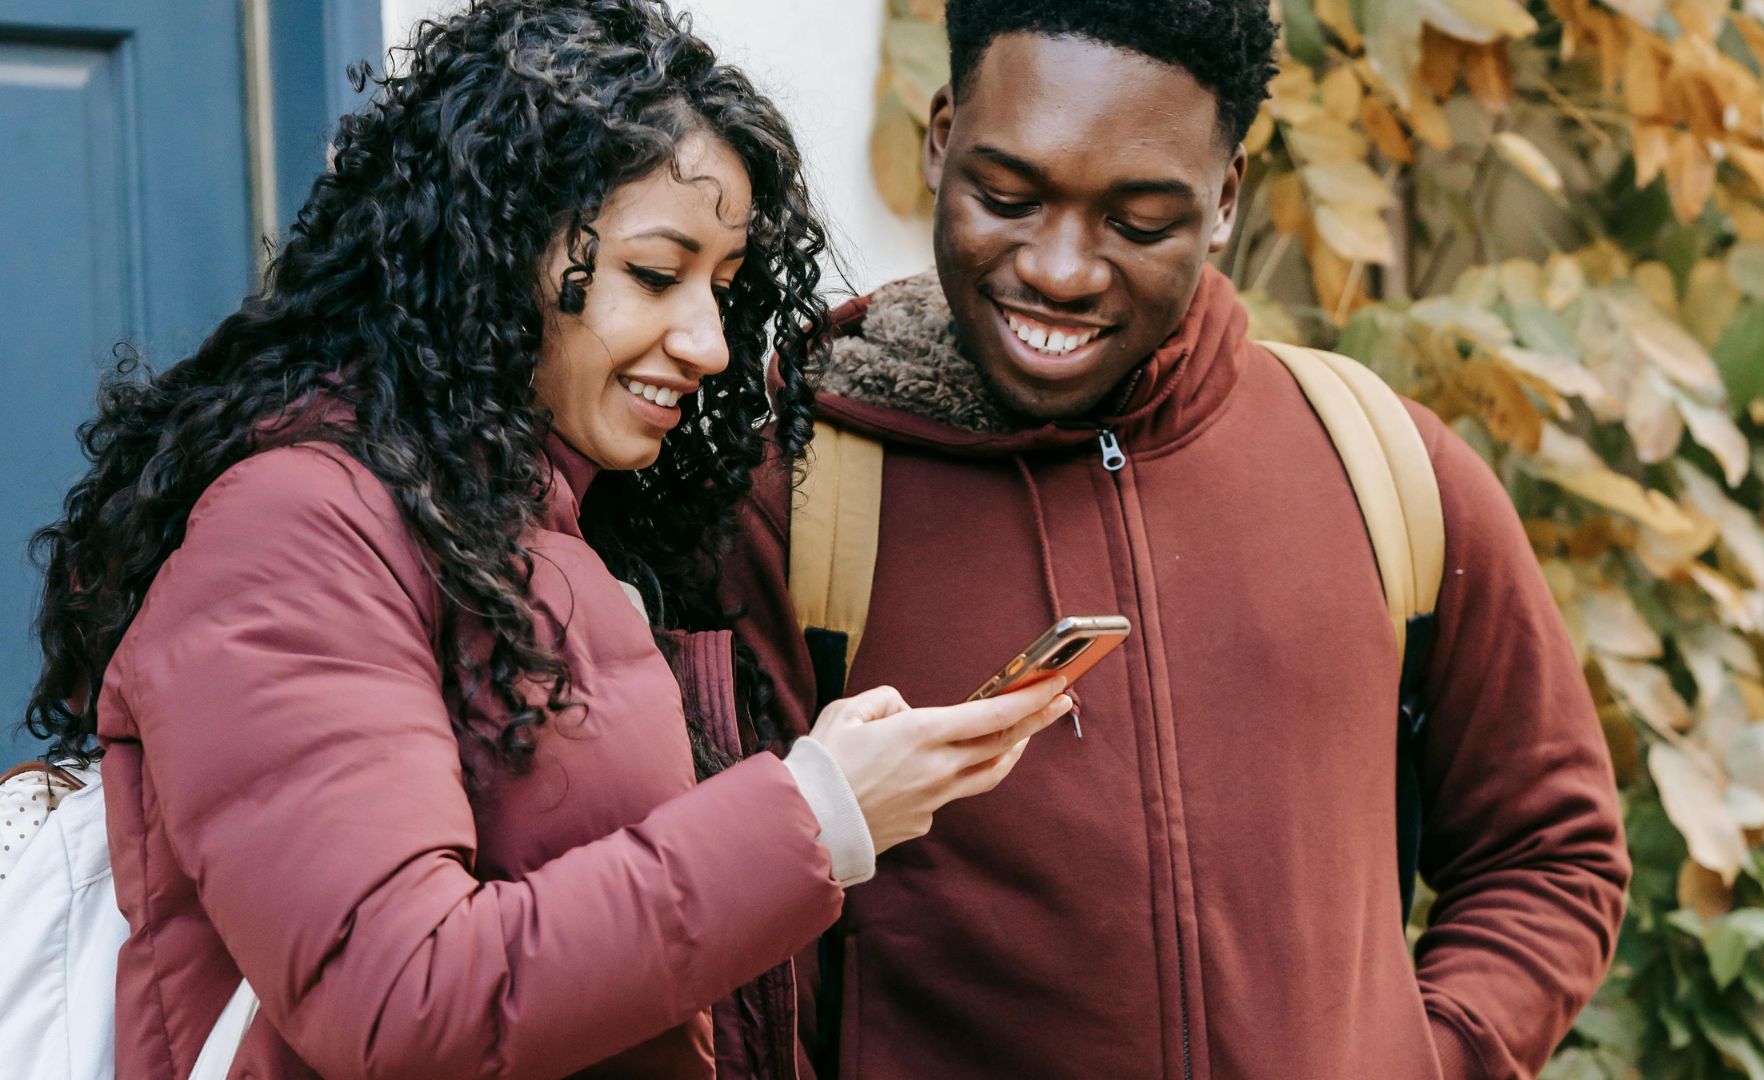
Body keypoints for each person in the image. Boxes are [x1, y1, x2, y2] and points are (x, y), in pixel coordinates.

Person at [21, 3, 1067, 1077]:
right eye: (657, 276)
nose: (709, 341)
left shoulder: (564, 526)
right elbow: (399, 999)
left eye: (723, 283)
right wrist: (812, 814)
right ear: (490, 254)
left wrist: (836, 790)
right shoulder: (296, 530)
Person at [722, 1, 1633, 1077]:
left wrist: (1431, 1058)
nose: (1060, 270)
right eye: (1007, 197)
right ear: (938, 138)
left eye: (1139, 223)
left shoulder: (1380, 464)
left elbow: (1550, 848)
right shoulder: (802, 493)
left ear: (1225, 201)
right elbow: (734, 973)